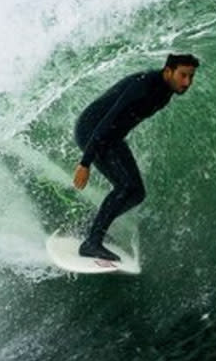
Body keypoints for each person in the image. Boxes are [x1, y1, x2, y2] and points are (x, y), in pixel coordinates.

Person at [72, 53, 200, 260]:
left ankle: (87, 227)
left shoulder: (165, 91)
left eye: (191, 77)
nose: (187, 82)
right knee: (125, 187)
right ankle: (92, 242)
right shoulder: (144, 86)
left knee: (137, 193)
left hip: (112, 137)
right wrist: (85, 163)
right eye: (183, 75)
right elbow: (109, 119)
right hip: (93, 131)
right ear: (168, 71)